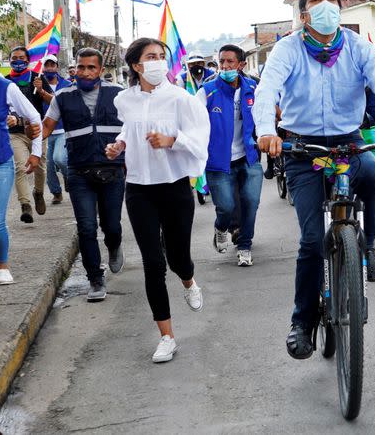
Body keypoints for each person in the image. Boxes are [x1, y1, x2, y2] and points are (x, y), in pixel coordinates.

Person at [253, 0, 375, 360]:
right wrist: (266, 131)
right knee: (312, 241)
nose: (325, 5)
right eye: (316, 0)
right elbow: (267, 91)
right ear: (303, 14)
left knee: (374, 176)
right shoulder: (287, 49)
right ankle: (301, 320)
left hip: (348, 143)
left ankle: (368, 246)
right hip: (302, 148)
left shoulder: (359, 46)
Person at [106, 38, 210, 363]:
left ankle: (189, 280)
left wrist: (172, 139)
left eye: (161, 57)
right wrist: (119, 144)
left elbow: (199, 138)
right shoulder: (126, 100)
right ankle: (167, 336)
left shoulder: (181, 99)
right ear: (136, 65)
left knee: (178, 257)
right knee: (153, 262)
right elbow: (129, 127)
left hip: (175, 187)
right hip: (139, 189)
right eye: (151, 57)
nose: (158, 62)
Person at [43, 48, 125, 302]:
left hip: (113, 171)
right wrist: (33, 152)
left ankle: (113, 245)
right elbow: (46, 127)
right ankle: (95, 279)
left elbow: (134, 126)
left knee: (111, 225)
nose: (85, 72)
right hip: (79, 172)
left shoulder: (119, 94)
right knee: (86, 227)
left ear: (101, 70)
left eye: (91, 68)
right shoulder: (62, 97)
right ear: (74, 68)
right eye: (81, 67)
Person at [196, 44, 262, 266]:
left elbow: (266, 114)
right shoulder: (207, 91)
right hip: (218, 162)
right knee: (225, 207)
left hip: (249, 158)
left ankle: (244, 246)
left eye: (230, 62)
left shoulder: (253, 88)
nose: (224, 66)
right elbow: (192, 123)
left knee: (251, 203)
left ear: (241, 65)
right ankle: (221, 227)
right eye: (221, 61)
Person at [0, 74, 43, 285]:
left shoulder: (5, 87)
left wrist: (35, 152)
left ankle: (2, 266)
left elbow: (34, 117)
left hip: (0, 162)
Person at [7, 46, 52, 223]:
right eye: (14, 58)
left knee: (40, 166)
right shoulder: (6, 81)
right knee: (20, 167)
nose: (18, 61)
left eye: (21, 58)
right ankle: (25, 205)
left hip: (37, 131)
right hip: (15, 133)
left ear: (28, 60)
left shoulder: (37, 77)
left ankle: (38, 193)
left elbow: (53, 101)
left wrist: (41, 90)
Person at [41, 55, 70, 204]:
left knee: (59, 158)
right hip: (45, 131)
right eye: (47, 65)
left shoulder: (67, 84)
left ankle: (68, 177)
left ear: (57, 67)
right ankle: (56, 193)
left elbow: (60, 102)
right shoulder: (37, 85)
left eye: (53, 65)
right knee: (49, 166)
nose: (50, 68)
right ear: (43, 67)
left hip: (63, 129)